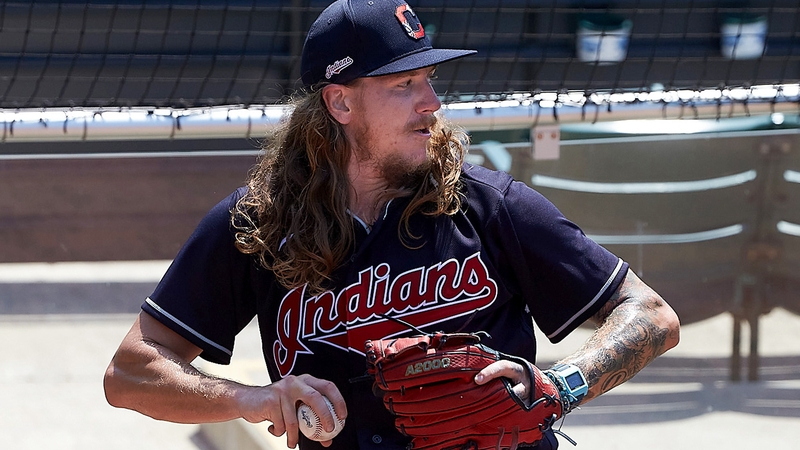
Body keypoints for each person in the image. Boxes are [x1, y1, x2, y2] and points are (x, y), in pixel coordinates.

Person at [104, 1, 680, 449]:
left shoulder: (488, 206)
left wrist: (560, 384)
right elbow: (130, 372)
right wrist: (252, 398)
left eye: (428, 79)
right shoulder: (259, 223)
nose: (430, 102)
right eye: (404, 85)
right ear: (340, 104)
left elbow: (651, 315)